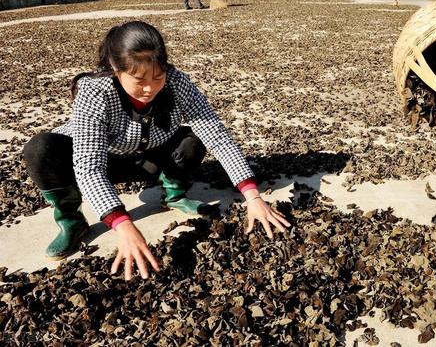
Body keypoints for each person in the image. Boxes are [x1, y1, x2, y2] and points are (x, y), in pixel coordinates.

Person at [23, 21, 289, 280]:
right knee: (40, 149)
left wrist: (253, 197)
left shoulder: (177, 82)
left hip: (151, 158)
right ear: (116, 68)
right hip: (108, 160)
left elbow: (217, 135)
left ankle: (173, 194)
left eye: (157, 76)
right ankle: (71, 220)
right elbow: (89, 166)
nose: (149, 87)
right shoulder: (95, 91)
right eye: (138, 79)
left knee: (195, 136)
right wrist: (121, 223)